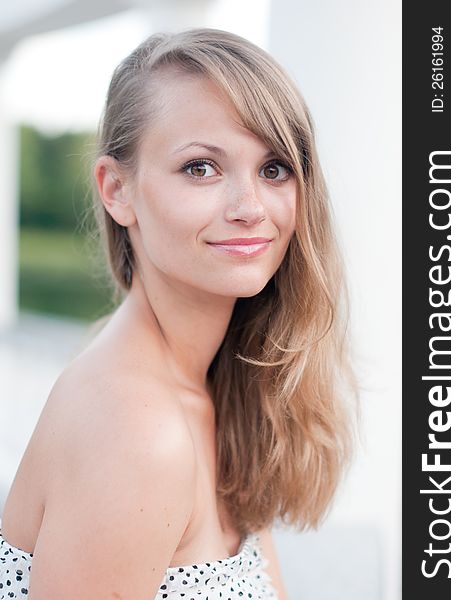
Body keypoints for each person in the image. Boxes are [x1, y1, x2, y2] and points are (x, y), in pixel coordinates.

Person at [0, 28, 357, 599]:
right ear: (117, 190)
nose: (249, 208)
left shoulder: (216, 384)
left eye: (273, 169)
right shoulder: (135, 430)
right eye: (200, 168)